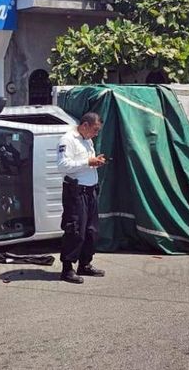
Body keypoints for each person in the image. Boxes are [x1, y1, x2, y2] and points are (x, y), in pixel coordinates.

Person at [56, 112, 106, 284]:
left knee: (91, 231)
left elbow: (87, 162)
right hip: (75, 192)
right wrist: (87, 162)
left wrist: (95, 161)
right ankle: (67, 269)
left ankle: (85, 264)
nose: (96, 134)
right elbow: (63, 166)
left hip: (90, 191)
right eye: (94, 130)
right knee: (75, 229)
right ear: (85, 125)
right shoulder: (67, 140)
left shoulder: (87, 140)